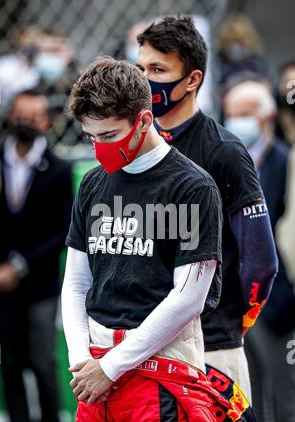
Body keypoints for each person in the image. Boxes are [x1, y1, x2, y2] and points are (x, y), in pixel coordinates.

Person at [62, 56, 228, 422]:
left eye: (108, 135)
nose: (99, 146)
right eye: (91, 136)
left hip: (160, 374)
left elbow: (189, 298)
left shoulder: (192, 186)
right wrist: (83, 359)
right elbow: (76, 281)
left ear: (142, 121)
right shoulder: (92, 183)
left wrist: (111, 366)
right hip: (95, 375)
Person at [136, 16, 278, 401]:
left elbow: (261, 262)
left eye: (158, 69)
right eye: (141, 68)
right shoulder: (130, 149)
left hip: (211, 350)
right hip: (138, 348)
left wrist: (239, 322)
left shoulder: (224, 152)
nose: (145, 79)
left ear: (193, 79)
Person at [0, 89, 73, 422]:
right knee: (9, 365)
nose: (26, 122)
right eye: (20, 115)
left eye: (34, 116)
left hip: (39, 284)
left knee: (42, 363)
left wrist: (20, 266)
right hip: (0, 286)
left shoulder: (58, 169)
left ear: (46, 122)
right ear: (10, 117)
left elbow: (62, 231)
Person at [223, 80, 295, 422]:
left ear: (266, 118)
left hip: (278, 297)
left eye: (243, 115)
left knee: (285, 391)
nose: (234, 122)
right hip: (238, 300)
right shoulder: (229, 161)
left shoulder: (285, 160)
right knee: (250, 393)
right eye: (231, 114)